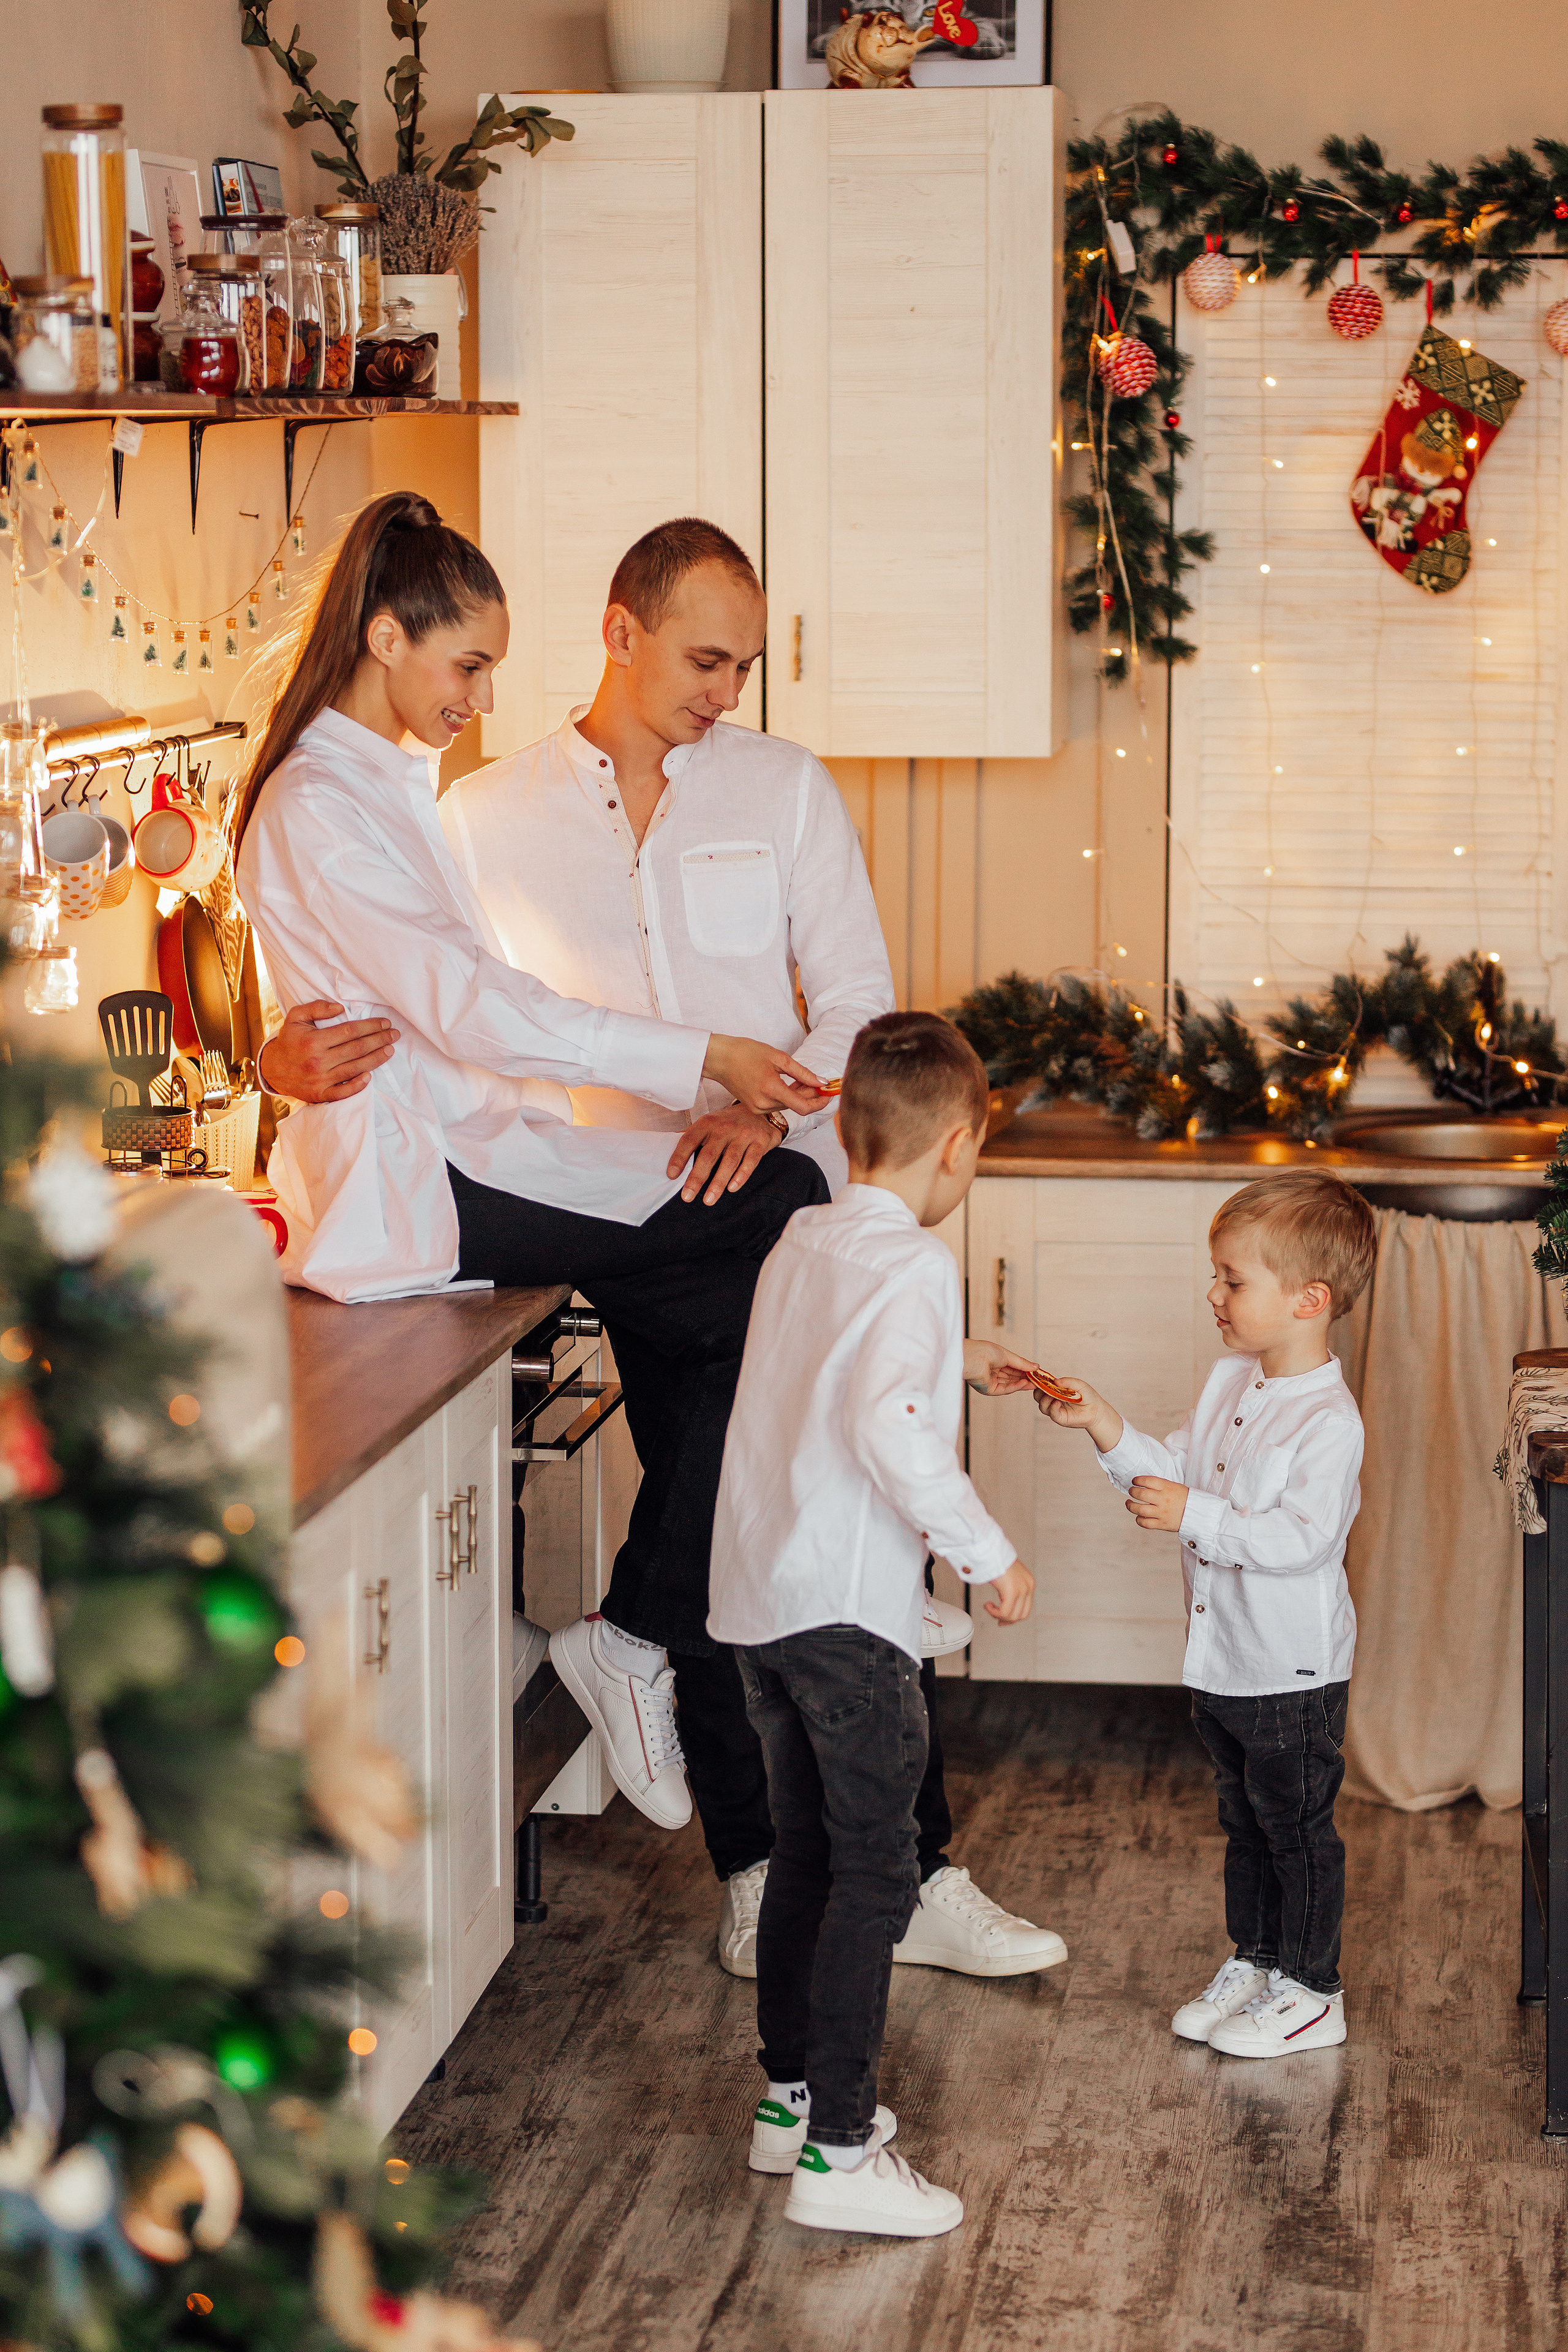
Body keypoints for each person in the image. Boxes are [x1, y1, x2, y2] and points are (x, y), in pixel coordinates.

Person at [257, 516, 1067, 1988]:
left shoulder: (781, 790)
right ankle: (759, 1871)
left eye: (746, 665)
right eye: (705, 657)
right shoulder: (472, 809)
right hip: (605, 1190)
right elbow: (447, 1006)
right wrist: (274, 1059)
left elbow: (857, 1008)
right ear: (620, 627)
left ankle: (914, 1867)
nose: (727, 691)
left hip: (755, 1186)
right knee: (730, 1513)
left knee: (823, 1531)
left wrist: (761, 1118)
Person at [233, 494, 834, 1835]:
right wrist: (707, 1060)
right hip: (425, 1180)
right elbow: (469, 1006)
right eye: (465, 665)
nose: (481, 694)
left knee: (747, 1294)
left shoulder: (382, 785)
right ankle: (640, 1634)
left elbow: (440, 1002)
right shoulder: (325, 803)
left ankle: (639, 1633)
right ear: (386, 636)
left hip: (477, 1147)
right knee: (783, 1208)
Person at [710, 1011, 1035, 2240]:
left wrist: (954, 1356)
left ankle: (789, 2104)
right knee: (874, 1872)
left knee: (805, 1855)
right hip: (845, 1620)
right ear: (955, 1147)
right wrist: (986, 1555)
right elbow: (886, 1429)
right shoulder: (915, 1265)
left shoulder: (805, 1236)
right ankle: (842, 2156)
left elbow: (825, 1369)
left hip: (761, 1606)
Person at [1039, 1171, 1377, 2060]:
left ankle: (1312, 1991)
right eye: (1216, 1275)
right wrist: (1105, 1425)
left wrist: (1194, 1515)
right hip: (1219, 1660)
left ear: (1310, 1300)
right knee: (1244, 1822)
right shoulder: (1232, 1379)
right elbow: (1176, 1467)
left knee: (1297, 1831)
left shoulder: (1329, 1422)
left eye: (1234, 1279)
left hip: (1289, 1671)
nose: (1213, 1293)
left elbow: (1301, 1539)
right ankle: (1258, 1961)